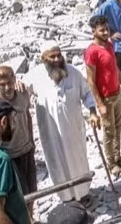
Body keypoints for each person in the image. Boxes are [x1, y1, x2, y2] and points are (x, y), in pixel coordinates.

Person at [25, 41, 100, 204]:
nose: (57, 58)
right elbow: (22, 93)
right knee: (57, 165)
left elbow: (87, 93)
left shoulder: (73, 72)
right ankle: (67, 199)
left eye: (59, 54)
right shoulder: (35, 76)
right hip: (51, 135)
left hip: (73, 131)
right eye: (52, 56)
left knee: (78, 161)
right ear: (43, 58)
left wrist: (93, 112)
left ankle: (83, 194)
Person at [0, 66, 38, 220]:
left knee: (32, 188)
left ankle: (30, 219)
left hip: (26, 148)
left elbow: (27, 115)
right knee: (19, 193)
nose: (7, 87)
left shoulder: (22, 94)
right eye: (2, 84)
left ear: (14, 80)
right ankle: (22, 223)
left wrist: (31, 139)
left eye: (9, 83)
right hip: (9, 155)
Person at [85, 15, 121, 177]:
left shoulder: (109, 45)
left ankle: (117, 157)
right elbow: (90, 80)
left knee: (118, 128)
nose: (105, 32)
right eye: (101, 30)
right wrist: (99, 104)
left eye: (107, 29)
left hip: (116, 94)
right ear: (94, 31)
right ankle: (111, 164)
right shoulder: (91, 52)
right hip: (106, 98)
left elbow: (115, 69)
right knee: (109, 132)